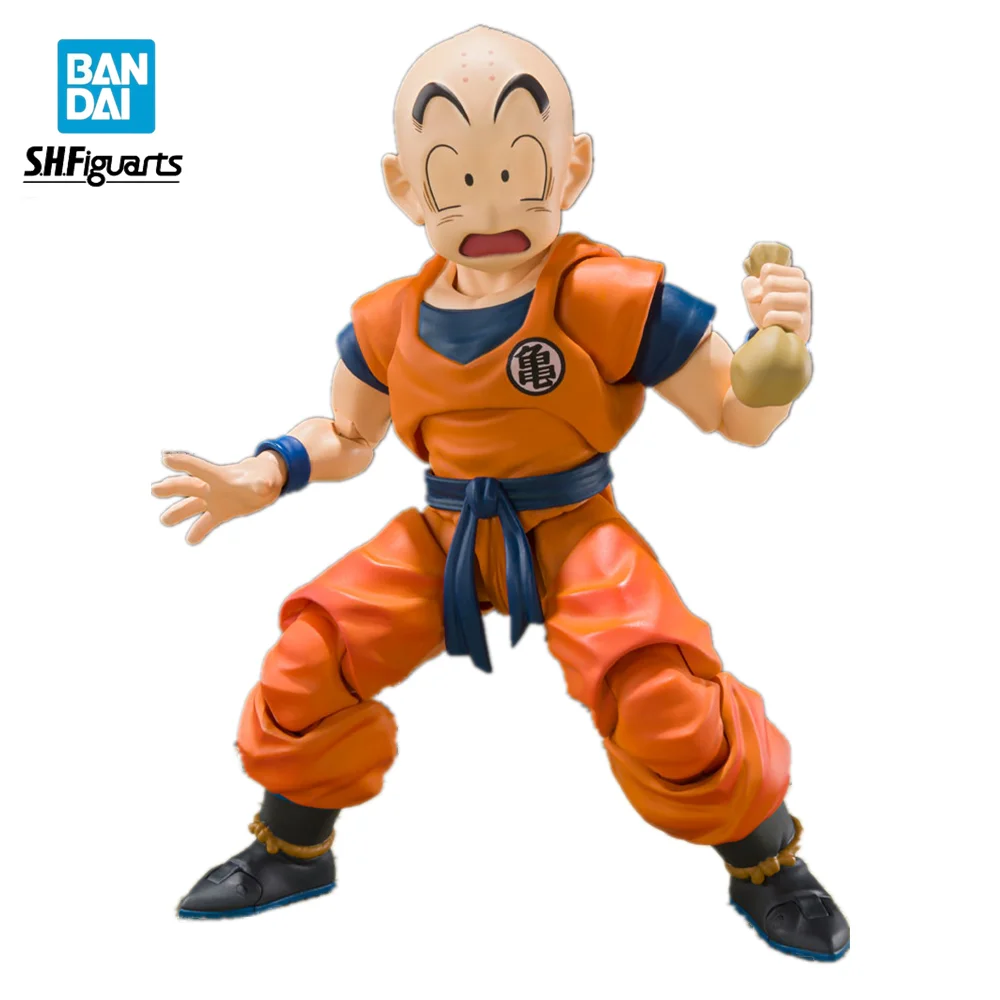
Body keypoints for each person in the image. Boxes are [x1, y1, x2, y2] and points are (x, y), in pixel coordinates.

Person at [153, 25, 848, 961]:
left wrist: (779, 355)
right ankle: (292, 848)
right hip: (442, 530)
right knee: (313, 649)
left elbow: (737, 415)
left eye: (520, 169)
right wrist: (269, 469)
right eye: (455, 177)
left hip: (574, 528)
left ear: (574, 167)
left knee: (661, 690)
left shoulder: (606, 296)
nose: (489, 204)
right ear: (405, 187)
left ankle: (768, 862)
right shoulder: (389, 320)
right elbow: (350, 437)